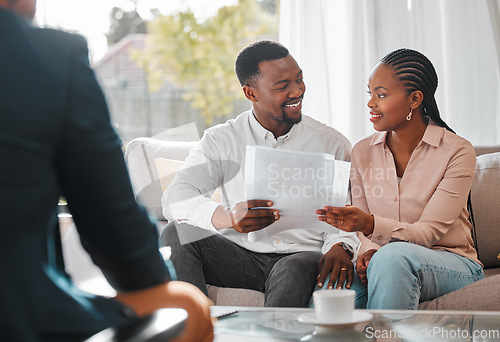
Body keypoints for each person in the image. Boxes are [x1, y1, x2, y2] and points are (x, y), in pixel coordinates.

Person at [0, 1, 213, 341]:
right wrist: (155, 285)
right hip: (18, 320)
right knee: (190, 307)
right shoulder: (49, 56)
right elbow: (113, 224)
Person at [161, 40, 359, 308]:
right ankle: (196, 329)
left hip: (301, 257)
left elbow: (346, 213)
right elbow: (174, 197)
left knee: (294, 267)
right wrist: (227, 217)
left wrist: (341, 245)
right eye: (283, 86)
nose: (297, 91)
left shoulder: (332, 143)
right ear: (250, 93)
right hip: (240, 257)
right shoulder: (221, 140)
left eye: (299, 79)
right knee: (175, 233)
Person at [317, 48, 485, 309]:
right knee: (330, 289)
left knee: (393, 258)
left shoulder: (457, 152)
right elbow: (361, 231)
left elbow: (429, 233)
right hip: (385, 259)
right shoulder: (362, 152)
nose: (371, 103)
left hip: (451, 262)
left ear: (415, 99)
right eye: (370, 93)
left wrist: (372, 226)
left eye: (381, 95)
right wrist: (367, 251)